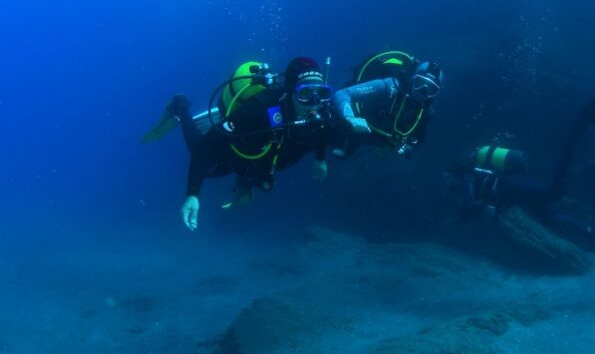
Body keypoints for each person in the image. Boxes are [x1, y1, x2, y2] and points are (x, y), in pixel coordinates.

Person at [142, 57, 333, 231]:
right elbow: (205, 147)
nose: (314, 102)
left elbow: (323, 129)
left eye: (321, 92)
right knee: (209, 165)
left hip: (262, 149)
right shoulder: (260, 109)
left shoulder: (323, 108)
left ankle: (245, 182)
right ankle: (180, 108)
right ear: (291, 91)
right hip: (239, 140)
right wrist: (192, 194)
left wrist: (320, 158)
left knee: (259, 166)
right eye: (305, 92)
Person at [444, 92, 595, 260]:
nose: (450, 185)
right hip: (514, 194)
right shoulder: (471, 176)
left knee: (552, 193)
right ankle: (590, 233)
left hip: (510, 186)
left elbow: (471, 204)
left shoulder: (467, 180)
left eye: (450, 181)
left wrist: (461, 215)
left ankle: (580, 126)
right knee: (551, 218)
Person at [331, 51, 442, 158]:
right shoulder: (390, 87)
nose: (423, 91)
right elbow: (342, 94)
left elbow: (419, 137)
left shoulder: (425, 110)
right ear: (412, 79)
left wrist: (407, 148)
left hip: (381, 139)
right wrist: (350, 118)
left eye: (432, 89)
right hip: (359, 127)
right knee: (339, 147)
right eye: (420, 83)